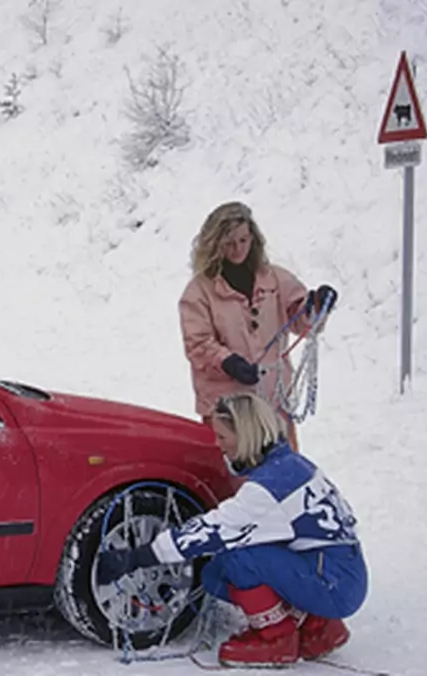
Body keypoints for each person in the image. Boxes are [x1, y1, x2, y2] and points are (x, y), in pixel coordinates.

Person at [95, 393, 367, 668]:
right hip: (340, 572)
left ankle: (277, 639)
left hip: (333, 583)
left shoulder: (268, 488)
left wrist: (139, 557)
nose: (219, 445)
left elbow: (215, 528)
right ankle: (319, 627)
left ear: (245, 434)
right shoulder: (291, 465)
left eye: (223, 437)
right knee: (216, 572)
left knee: (237, 559)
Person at [178, 201, 337, 451]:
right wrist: (228, 362)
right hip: (228, 408)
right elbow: (197, 344)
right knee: (234, 479)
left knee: (284, 475)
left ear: (253, 238)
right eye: (229, 243)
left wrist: (317, 307)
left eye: (243, 240)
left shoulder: (275, 279)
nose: (237, 249)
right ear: (215, 244)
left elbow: (303, 321)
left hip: (272, 400)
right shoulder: (198, 292)